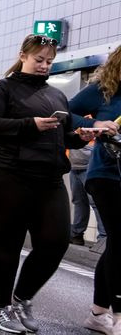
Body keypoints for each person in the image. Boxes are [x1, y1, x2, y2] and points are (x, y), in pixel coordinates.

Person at [0, 34, 107, 333]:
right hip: (5, 173)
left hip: (48, 178)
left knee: (55, 242)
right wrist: (30, 124)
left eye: (49, 61)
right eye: (39, 60)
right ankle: (0, 309)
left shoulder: (56, 96)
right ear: (23, 55)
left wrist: (80, 136)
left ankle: (21, 298)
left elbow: (62, 136)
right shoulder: (3, 89)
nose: (45, 66)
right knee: (8, 242)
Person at [68, 46, 121, 335]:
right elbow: (67, 112)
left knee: (116, 245)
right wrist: (95, 124)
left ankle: (98, 313)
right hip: (106, 174)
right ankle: (118, 315)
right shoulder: (103, 90)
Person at [68, 143, 106, 245]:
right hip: (74, 168)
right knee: (79, 202)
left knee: (96, 203)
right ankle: (77, 234)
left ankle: (103, 238)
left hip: (91, 167)